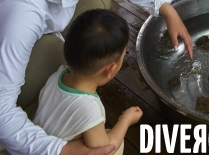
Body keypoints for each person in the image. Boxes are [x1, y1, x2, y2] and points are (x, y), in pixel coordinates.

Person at [0, 0, 192, 155]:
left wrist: (166, 9)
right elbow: (1, 109)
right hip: (9, 40)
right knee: (53, 54)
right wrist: (62, 150)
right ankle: (29, 115)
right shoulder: (24, 13)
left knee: (98, 6)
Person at [34, 10, 143, 154]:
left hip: (38, 144)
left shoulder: (59, 74)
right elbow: (106, 148)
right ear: (110, 69)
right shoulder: (90, 110)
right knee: (117, 145)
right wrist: (125, 120)